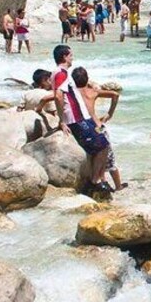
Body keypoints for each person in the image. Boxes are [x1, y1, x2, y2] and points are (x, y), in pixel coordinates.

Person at [51, 45, 111, 197]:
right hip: (76, 118)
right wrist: (62, 121)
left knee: (100, 145)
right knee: (103, 145)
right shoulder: (60, 73)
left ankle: (96, 180)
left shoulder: (62, 73)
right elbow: (58, 95)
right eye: (70, 55)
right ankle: (94, 182)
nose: (72, 57)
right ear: (64, 57)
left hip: (82, 117)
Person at [70, 67, 125, 191]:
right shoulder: (92, 92)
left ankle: (102, 181)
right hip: (97, 126)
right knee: (108, 158)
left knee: (93, 157)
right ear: (87, 79)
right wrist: (109, 114)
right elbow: (115, 95)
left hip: (81, 129)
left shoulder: (72, 93)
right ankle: (115, 185)